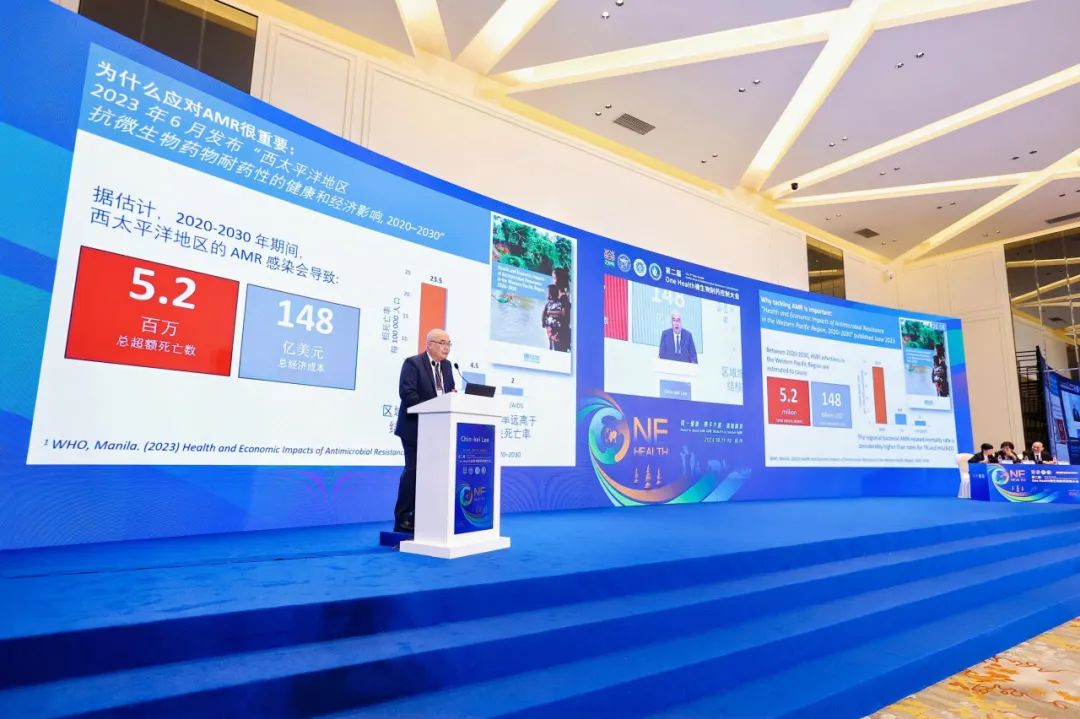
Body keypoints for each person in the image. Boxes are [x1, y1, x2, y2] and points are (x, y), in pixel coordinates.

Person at [393, 328, 455, 533]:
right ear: (429, 344)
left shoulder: (447, 367)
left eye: (449, 343)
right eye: (442, 342)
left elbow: (449, 393)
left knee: (433, 474)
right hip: (414, 428)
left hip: (438, 429)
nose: (446, 347)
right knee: (414, 471)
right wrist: (434, 406)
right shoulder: (413, 363)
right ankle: (403, 518)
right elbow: (407, 394)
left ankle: (424, 516)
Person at [542, 284, 569, 352]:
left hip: (557, 329)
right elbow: (544, 313)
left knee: (556, 343)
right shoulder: (548, 303)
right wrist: (543, 321)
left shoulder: (560, 303)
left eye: (547, 292)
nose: (546, 294)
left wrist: (549, 313)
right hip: (550, 328)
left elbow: (562, 313)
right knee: (551, 343)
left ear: (551, 293)